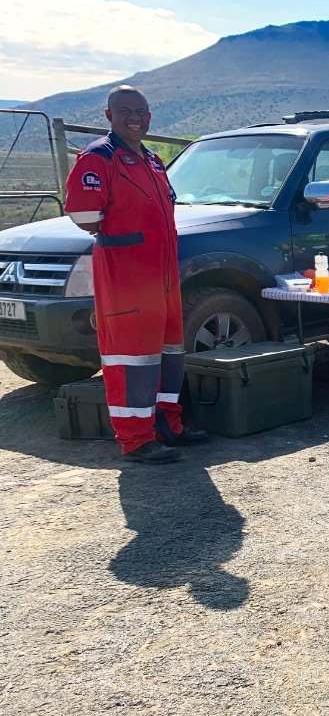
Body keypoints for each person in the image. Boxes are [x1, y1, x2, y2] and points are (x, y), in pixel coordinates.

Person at [64, 85, 208, 463]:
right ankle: (136, 439)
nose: (134, 117)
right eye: (125, 110)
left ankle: (167, 425)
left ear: (149, 117)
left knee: (168, 352)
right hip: (126, 279)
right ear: (108, 116)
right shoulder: (99, 158)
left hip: (161, 277)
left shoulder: (152, 159)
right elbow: (85, 216)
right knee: (132, 358)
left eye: (141, 111)